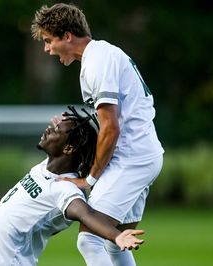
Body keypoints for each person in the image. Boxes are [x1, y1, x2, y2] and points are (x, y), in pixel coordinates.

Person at [31, 3, 165, 266]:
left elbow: (111, 128)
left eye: (48, 40)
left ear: (67, 35)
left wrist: (90, 180)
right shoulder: (101, 55)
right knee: (114, 243)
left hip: (131, 159)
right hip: (142, 155)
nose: (47, 49)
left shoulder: (98, 61)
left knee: (88, 240)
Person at [0, 106, 145, 266]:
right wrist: (63, 129)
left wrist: (117, 236)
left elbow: (86, 214)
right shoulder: (46, 167)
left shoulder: (64, 188)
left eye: (56, 131)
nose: (49, 129)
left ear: (69, 149)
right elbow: (72, 145)